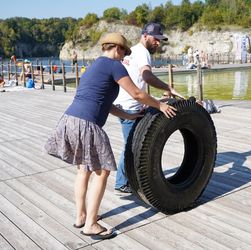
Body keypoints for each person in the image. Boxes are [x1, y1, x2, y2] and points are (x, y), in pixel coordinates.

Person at [44, 32, 177, 239]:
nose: (124, 57)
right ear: (117, 48)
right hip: (87, 124)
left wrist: (128, 116)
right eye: (124, 52)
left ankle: (80, 216)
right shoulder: (115, 65)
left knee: (84, 170)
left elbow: (104, 102)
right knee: (102, 172)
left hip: (69, 119)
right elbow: (137, 93)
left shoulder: (94, 65)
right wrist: (160, 105)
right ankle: (91, 224)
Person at [113, 22, 184, 195]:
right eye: (155, 39)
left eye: (160, 40)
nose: (158, 43)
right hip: (130, 106)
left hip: (123, 102)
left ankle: (129, 178)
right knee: (131, 145)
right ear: (145, 36)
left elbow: (136, 79)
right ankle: (121, 183)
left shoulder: (132, 51)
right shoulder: (143, 52)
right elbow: (147, 76)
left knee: (134, 143)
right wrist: (168, 87)